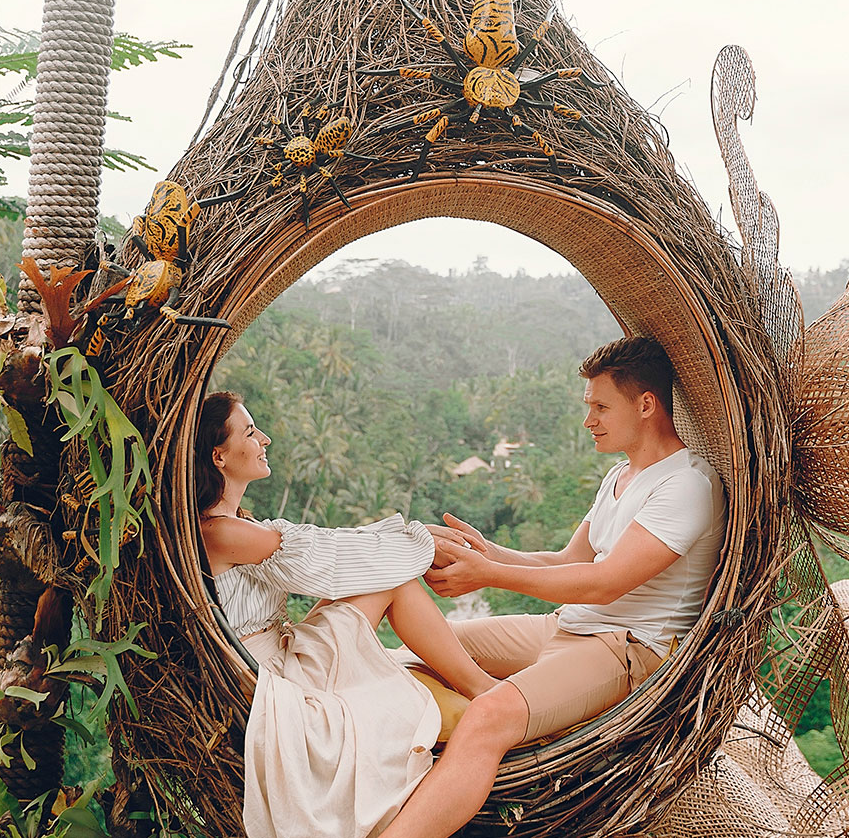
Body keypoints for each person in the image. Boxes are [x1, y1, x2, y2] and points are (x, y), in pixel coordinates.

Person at [381, 337, 727, 838]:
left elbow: (606, 583)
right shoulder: (620, 476)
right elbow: (569, 562)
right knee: (414, 651)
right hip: (567, 626)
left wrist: (489, 574)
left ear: (646, 404)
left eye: (601, 407)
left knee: (488, 718)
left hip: (628, 647)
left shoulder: (687, 485)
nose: (589, 421)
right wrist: (489, 553)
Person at [195, 391, 497, 838]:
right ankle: (485, 690)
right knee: (393, 580)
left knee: (384, 578)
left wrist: (409, 540)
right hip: (269, 677)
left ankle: (479, 686)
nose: (266, 439)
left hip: (280, 651)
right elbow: (327, 556)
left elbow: (333, 547)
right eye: (251, 431)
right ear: (219, 455)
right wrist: (419, 543)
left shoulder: (236, 524)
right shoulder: (219, 532)